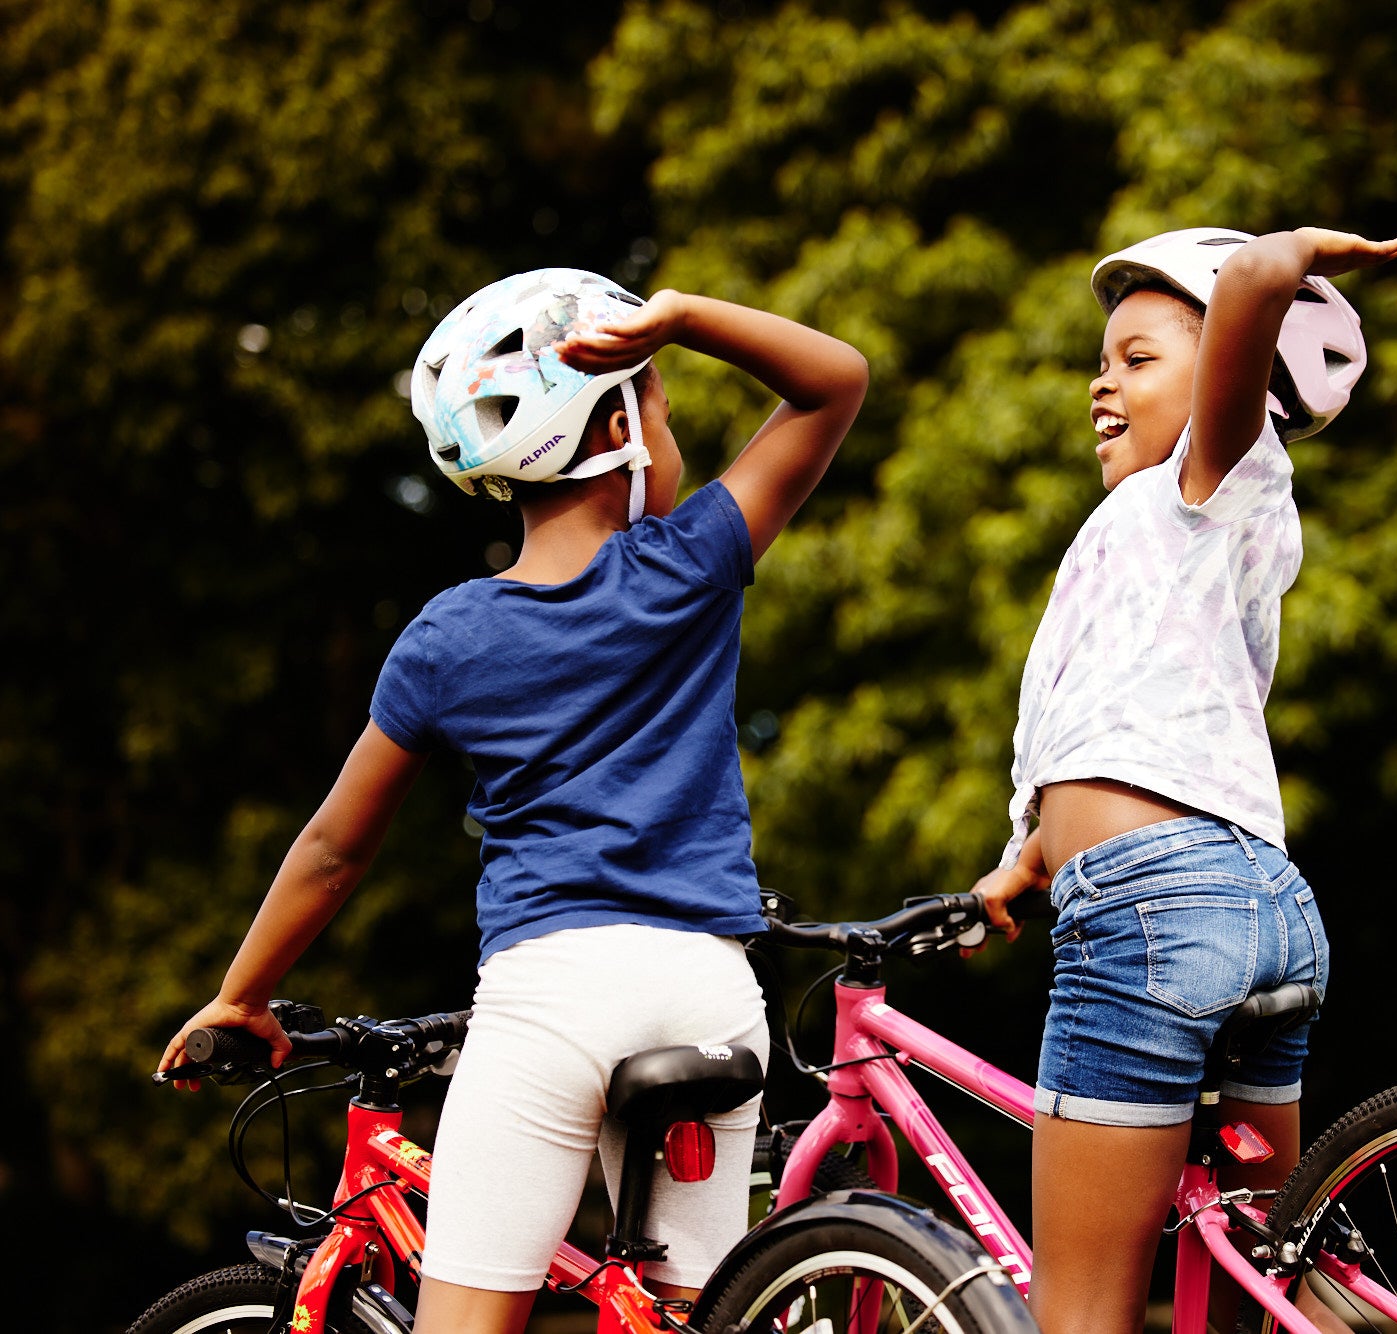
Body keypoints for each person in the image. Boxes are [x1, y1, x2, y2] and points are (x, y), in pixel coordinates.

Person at [157, 269, 868, 1334]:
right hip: (710, 987)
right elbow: (834, 381)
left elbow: (333, 848)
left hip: (554, 994)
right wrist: (681, 316)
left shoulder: (447, 638)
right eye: (660, 403)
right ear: (618, 423)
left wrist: (241, 994)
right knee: (694, 1314)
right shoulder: (691, 565)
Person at [972, 227, 1397, 1334]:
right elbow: (1115, 716)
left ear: (1228, 370)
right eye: (1102, 359)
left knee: (1077, 1313)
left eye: (1136, 356)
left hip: (1152, 911)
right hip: (1260, 902)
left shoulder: (1210, 476)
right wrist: (1024, 852)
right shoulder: (1159, 532)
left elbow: (1250, 305)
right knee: (1246, 1291)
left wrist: (1282, 258)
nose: (1099, 379)